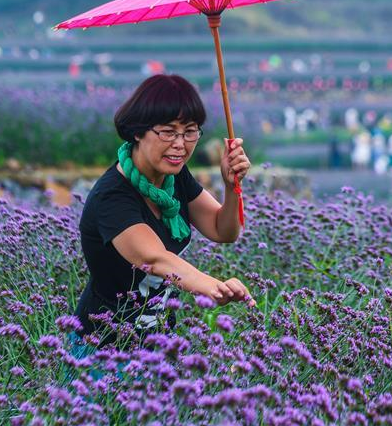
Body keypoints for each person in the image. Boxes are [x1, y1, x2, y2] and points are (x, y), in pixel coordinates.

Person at [70, 74, 256, 360]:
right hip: (102, 351)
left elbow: (223, 230)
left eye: (190, 131)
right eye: (168, 132)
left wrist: (232, 187)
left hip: (159, 347)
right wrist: (211, 286)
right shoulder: (112, 196)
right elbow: (153, 259)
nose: (180, 144)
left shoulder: (175, 178)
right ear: (137, 131)